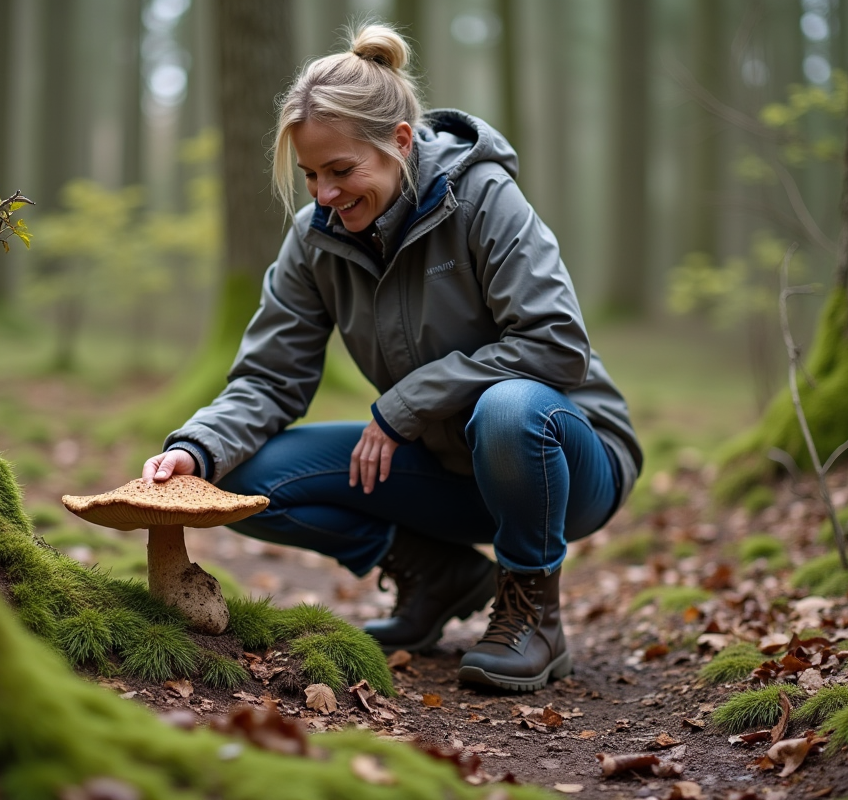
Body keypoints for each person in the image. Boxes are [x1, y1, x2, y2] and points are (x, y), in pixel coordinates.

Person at [142, 23, 642, 692]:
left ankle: (534, 615)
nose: (324, 194)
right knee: (247, 477)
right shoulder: (315, 239)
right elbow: (268, 377)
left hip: (566, 463)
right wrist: (197, 449)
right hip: (447, 468)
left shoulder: (484, 197)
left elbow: (554, 343)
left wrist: (405, 405)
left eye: (342, 171)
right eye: (312, 175)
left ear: (400, 142)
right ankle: (436, 576)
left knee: (508, 407)